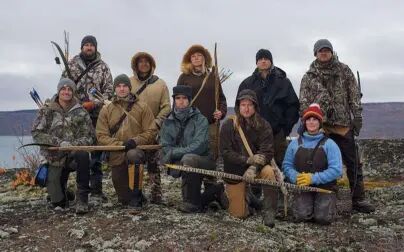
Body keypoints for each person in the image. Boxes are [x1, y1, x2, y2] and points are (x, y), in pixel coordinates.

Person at [299, 39, 375, 213]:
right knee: (320, 163)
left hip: (343, 126)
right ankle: (326, 196)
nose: (324, 53)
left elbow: (354, 95)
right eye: (320, 50)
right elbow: (303, 103)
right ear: (315, 53)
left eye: (327, 50)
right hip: (321, 127)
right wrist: (308, 121)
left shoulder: (344, 70)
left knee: (353, 162)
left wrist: (357, 117)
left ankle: (358, 199)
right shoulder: (308, 77)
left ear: (332, 52)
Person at [32, 78, 95, 213]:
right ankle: (65, 194)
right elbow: (37, 133)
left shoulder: (81, 112)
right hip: (54, 158)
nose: (66, 92)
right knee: (59, 203)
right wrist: (59, 143)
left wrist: (72, 145)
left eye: (69, 89)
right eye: (63, 89)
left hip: (73, 156)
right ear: (58, 91)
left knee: (83, 155)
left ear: (73, 92)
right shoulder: (47, 110)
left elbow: (90, 137)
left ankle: (82, 199)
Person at [159, 85, 226, 213]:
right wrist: (173, 153)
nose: (181, 101)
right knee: (189, 198)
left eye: (184, 98)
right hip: (181, 160)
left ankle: (196, 202)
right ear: (174, 100)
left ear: (190, 100)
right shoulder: (168, 121)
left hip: (204, 160)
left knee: (189, 158)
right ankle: (213, 192)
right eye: (178, 98)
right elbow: (165, 145)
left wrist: (174, 153)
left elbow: (199, 146)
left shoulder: (200, 120)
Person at [62, 35, 113, 199]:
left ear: (96, 47)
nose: (89, 47)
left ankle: (97, 190)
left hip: (97, 116)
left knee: (96, 154)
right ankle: (67, 189)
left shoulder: (103, 67)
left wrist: (94, 103)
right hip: (76, 116)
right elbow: (64, 88)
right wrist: (76, 104)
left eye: (92, 45)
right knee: (75, 153)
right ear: (82, 47)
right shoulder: (71, 65)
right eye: (86, 45)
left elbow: (109, 92)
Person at [220, 89, 280, 227]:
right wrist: (246, 160)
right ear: (238, 106)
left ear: (255, 107)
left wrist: (253, 167)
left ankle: (269, 211)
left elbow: (267, 151)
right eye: (243, 105)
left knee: (269, 172)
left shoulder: (264, 125)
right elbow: (225, 152)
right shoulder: (229, 125)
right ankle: (246, 198)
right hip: (235, 170)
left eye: (250, 105)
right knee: (239, 215)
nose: (246, 108)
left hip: (257, 168)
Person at [96, 74, 157, 209]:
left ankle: (136, 199)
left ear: (129, 88)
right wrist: (120, 145)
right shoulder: (106, 110)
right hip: (116, 155)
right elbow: (101, 135)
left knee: (133, 155)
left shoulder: (142, 107)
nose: (122, 89)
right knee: (123, 198)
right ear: (114, 89)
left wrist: (135, 141)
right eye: (118, 86)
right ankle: (136, 195)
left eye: (124, 86)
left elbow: (151, 131)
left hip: (136, 151)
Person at [237, 49, 299, 167]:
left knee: (280, 167)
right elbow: (238, 106)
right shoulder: (247, 83)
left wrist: (285, 129)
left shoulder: (283, 82)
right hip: (253, 134)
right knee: (255, 166)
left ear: (271, 61)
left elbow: (293, 106)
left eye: (266, 59)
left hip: (277, 135)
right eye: (260, 59)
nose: (263, 61)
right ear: (256, 62)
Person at [283, 103, 342, 224]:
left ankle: (330, 204)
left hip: (325, 187)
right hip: (302, 187)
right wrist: (296, 177)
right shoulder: (294, 143)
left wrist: (313, 178)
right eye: (308, 119)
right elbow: (286, 165)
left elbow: (337, 170)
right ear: (304, 123)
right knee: (300, 216)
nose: (311, 122)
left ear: (319, 122)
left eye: (314, 119)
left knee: (323, 218)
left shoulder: (330, 144)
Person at [130, 51, 171, 204]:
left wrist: (157, 122)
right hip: (134, 130)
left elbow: (166, 107)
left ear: (151, 65)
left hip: (154, 130)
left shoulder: (160, 84)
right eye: (140, 61)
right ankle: (136, 192)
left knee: (153, 162)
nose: (143, 64)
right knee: (135, 160)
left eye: (147, 61)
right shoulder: (129, 83)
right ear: (136, 65)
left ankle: (156, 193)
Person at [177, 44, 227, 159]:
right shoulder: (184, 77)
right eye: (193, 56)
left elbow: (222, 99)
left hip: (211, 124)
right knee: (191, 156)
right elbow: (177, 102)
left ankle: (210, 176)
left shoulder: (213, 76)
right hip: (191, 125)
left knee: (210, 156)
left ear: (205, 58)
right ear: (189, 59)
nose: (196, 58)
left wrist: (221, 112)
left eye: (199, 55)